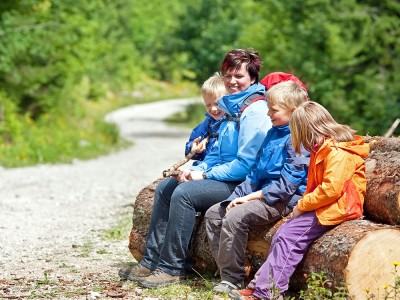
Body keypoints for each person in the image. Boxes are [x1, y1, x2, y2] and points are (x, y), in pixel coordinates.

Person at [119, 48, 272, 288]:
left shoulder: (254, 111)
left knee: (184, 194)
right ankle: (151, 260)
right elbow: (220, 153)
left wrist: (203, 175)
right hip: (225, 174)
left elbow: (245, 165)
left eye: (239, 76)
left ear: (252, 77)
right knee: (167, 188)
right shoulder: (231, 106)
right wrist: (194, 168)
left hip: (244, 184)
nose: (232, 81)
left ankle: (173, 267)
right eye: (228, 75)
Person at [230, 101, 370, 300]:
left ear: (307, 129)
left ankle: (267, 293)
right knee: (282, 234)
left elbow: (330, 190)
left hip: (340, 207)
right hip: (326, 205)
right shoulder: (322, 148)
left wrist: (301, 206)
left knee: (289, 237)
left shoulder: (338, 152)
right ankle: (258, 285)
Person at [205, 80, 310, 294]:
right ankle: (233, 270)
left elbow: (287, 185)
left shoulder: (299, 138)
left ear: (293, 111)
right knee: (215, 213)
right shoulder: (273, 132)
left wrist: (250, 198)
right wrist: (236, 196)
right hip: (260, 192)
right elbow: (254, 173)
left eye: (273, 109)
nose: (268, 113)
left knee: (236, 216)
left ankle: (231, 280)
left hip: (282, 199)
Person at [185, 72, 226, 166]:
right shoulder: (208, 123)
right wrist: (193, 147)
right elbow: (193, 140)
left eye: (217, 104)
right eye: (208, 105)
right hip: (202, 165)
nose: (213, 109)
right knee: (170, 181)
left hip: (218, 168)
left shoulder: (232, 122)